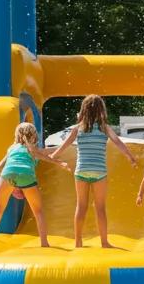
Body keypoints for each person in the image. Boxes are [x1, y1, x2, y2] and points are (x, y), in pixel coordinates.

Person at [50, 95, 137, 249]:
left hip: (82, 171)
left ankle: (78, 242)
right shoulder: (104, 127)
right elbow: (117, 142)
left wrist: (53, 156)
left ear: (83, 110)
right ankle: (104, 242)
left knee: (81, 206)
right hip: (99, 172)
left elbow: (65, 145)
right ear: (101, 110)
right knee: (100, 208)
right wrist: (130, 156)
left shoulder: (78, 128)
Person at [0, 122, 69, 248]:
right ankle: (44, 242)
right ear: (34, 136)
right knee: (38, 211)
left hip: (8, 174)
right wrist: (58, 162)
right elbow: (41, 154)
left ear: (17, 135)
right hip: (26, 174)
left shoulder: (12, 148)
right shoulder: (32, 149)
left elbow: (1, 165)